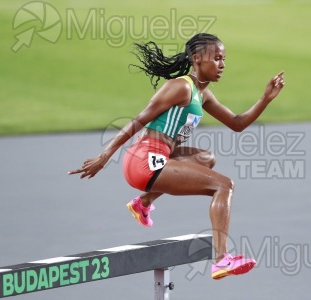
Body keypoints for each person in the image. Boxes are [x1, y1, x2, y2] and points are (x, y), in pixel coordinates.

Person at [69, 33, 285, 280]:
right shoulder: (181, 86)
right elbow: (141, 118)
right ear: (196, 59)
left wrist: (265, 99)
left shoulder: (202, 94)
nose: (222, 64)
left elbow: (237, 123)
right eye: (216, 58)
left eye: (224, 59)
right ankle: (221, 259)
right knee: (224, 185)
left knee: (206, 158)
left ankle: (143, 203)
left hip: (157, 157)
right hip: (143, 160)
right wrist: (106, 154)